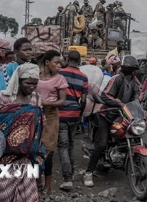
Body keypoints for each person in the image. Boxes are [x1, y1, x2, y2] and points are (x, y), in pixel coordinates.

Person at [0, 63, 45, 202]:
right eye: (28, 83)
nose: (31, 86)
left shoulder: (36, 98)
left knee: (27, 194)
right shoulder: (4, 97)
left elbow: (39, 122)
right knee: (1, 194)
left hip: (26, 154)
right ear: (18, 80)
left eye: (35, 83)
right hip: (4, 154)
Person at [84, 56, 140, 187]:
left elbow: (137, 93)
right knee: (102, 144)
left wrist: (137, 102)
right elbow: (105, 95)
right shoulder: (117, 79)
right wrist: (119, 104)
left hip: (125, 116)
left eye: (132, 70)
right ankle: (88, 172)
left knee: (135, 136)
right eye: (129, 69)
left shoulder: (134, 81)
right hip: (107, 115)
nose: (131, 72)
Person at [36, 50, 68, 197]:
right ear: (47, 62)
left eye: (60, 62)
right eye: (56, 62)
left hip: (50, 116)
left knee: (47, 151)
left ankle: (48, 186)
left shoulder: (60, 79)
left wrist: (46, 103)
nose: (59, 65)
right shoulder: (36, 76)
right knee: (34, 149)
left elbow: (62, 101)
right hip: (34, 115)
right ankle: (37, 183)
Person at [57, 50, 88, 190]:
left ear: (67, 58)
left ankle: (68, 178)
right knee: (70, 143)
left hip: (61, 113)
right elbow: (83, 100)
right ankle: (72, 173)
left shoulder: (60, 73)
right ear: (79, 60)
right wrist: (79, 114)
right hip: (75, 114)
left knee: (62, 145)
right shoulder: (84, 77)